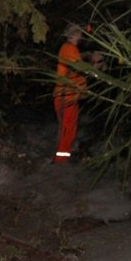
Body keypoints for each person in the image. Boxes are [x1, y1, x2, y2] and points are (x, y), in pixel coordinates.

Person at [52, 23, 87, 163]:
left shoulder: (70, 49)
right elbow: (76, 67)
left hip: (69, 95)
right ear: (73, 35)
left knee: (68, 127)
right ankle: (60, 160)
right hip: (67, 96)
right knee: (67, 129)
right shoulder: (69, 48)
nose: (82, 35)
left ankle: (63, 156)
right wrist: (91, 62)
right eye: (79, 33)